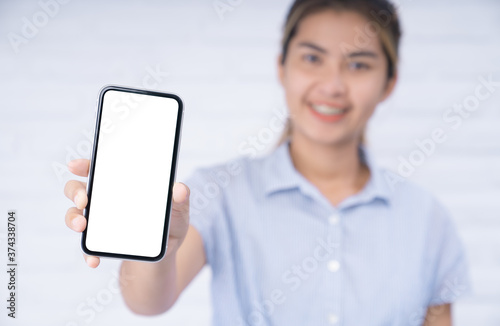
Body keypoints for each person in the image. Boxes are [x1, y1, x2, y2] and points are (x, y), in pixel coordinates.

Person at [64, 0, 472, 325]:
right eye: (312, 58)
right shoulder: (218, 192)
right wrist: (158, 246)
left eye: (359, 64)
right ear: (282, 67)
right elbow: (147, 303)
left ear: (389, 83)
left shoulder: (427, 219)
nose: (331, 85)